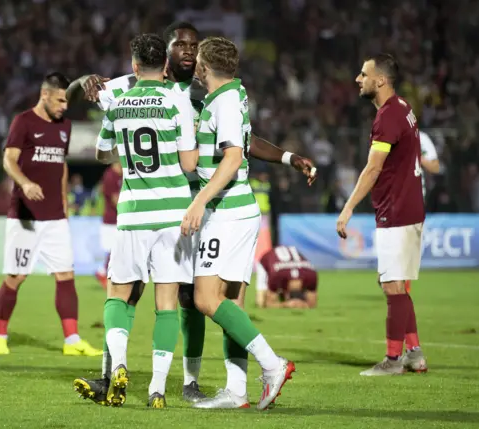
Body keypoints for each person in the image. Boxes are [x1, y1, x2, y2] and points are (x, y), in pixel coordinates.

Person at [69, 22, 316, 405]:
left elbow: (240, 144)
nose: (187, 50)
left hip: (201, 208)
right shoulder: (155, 87)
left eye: (193, 45)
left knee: (196, 298)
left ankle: (193, 379)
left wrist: (286, 156)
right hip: (190, 210)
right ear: (165, 54)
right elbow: (94, 87)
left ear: (202, 59)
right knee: (154, 294)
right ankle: (111, 374)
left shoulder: (209, 97)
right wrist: (87, 80)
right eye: (180, 44)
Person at [180, 36, 295, 411]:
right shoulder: (233, 95)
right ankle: (236, 391)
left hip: (226, 214)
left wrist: (200, 199)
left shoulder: (225, 102)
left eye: (197, 60)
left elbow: (231, 158)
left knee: (204, 298)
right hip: (238, 212)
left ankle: (272, 364)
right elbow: (242, 146)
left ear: (203, 67)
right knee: (231, 303)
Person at [93, 33, 198, 408]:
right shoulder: (178, 101)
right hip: (175, 215)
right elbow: (188, 164)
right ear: (166, 66)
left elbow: (102, 155)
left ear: (134, 66)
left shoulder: (118, 103)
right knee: (167, 302)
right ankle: (157, 390)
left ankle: (119, 365)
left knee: (118, 293)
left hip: (134, 212)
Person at [0, 72, 102, 358]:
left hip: (55, 217)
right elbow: (9, 159)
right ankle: (0, 335)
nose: (65, 106)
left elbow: (61, 165)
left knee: (66, 276)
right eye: (60, 100)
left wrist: (63, 202)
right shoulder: (23, 121)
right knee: (16, 277)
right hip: (25, 218)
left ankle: (72, 339)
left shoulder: (65, 126)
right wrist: (25, 183)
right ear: (45, 95)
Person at [336, 54, 428, 376]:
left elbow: (373, 167)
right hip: (408, 206)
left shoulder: (388, 116)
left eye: (364, 74)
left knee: (391, 285)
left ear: (380, 80)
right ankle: (414, 354)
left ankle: (392, 360)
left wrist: (347, 208)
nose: (358, 79)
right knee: (396, 283)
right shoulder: (402, 107)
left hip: (397, 210)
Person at [94, 162, 122, 288]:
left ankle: (104, 272)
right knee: (114, 249)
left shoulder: (123, 173)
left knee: (116, 249)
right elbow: (115, 200)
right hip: (112, 220)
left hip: (118, 219)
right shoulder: (110, 176)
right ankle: (103, 272)